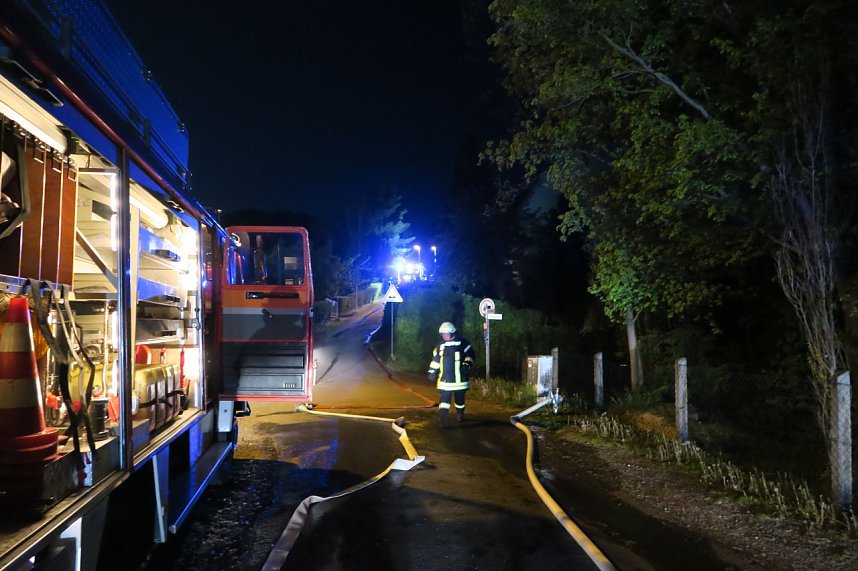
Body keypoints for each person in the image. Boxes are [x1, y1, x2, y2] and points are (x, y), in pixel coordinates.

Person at [427, 322, 475, 426]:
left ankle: (460, 414)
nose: (444, 336)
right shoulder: (440, 347)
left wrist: (467, 365)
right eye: (443, 334)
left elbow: (470, 355)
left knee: (460, 399)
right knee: (444, 400)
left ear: (453, 332)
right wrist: (432, 372)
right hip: (445, 380)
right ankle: (443, 418)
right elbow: (435, 361)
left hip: (460, 379)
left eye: (446, 334)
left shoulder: (463, 343)